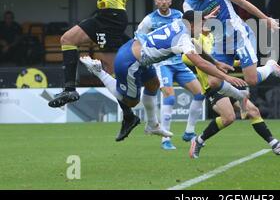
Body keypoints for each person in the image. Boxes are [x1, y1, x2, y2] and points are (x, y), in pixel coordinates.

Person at [80, 11, 249, 141]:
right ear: (192, 24)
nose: (204, 29)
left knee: (153, 84)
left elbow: (196, 46)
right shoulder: (182, 37)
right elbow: (199, 63)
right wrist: (226, 77)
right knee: (130, 102)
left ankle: (152, 125)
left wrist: (216, 62)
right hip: (129, 61)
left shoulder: (180, 23)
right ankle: (99, 71)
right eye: (201, 24)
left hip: (138, 53)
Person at [48, 0, 141, 115]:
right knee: (68, 39)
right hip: (107, 14)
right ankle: (69, 89)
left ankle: (129, 114)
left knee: (110, 67)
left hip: (111, 16)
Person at [181, 26, 280, 158]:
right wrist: (209, 60)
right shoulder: (195, 40)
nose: (207, 24)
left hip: (227, 83)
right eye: (203, 22)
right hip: (213, 87)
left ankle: (275, 144)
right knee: (229, 118)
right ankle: (198, 141)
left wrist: (239, 63)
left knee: (253, 111)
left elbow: (224, 60)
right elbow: (185, 58)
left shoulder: (216, 38)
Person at [181, 0, 280, 101]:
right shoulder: (188, 5)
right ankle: (240, 96)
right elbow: (199, 30)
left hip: (240, 37)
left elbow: (243, 3)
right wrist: (205, 21)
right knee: (214, 82)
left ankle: (271, 66)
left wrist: (265, 18)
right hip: (220, 42)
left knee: (252, 80)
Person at [136, 0, 207, 150]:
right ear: (156, 1)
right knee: (169, 97)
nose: (163, 2)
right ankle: (165, 139)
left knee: (200, 93)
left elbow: (190, 32)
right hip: (162, 64)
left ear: (170, 0)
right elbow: (138, 36)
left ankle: (189, 131)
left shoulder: (178, 16)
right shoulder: (149, 20)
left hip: (179, 63)